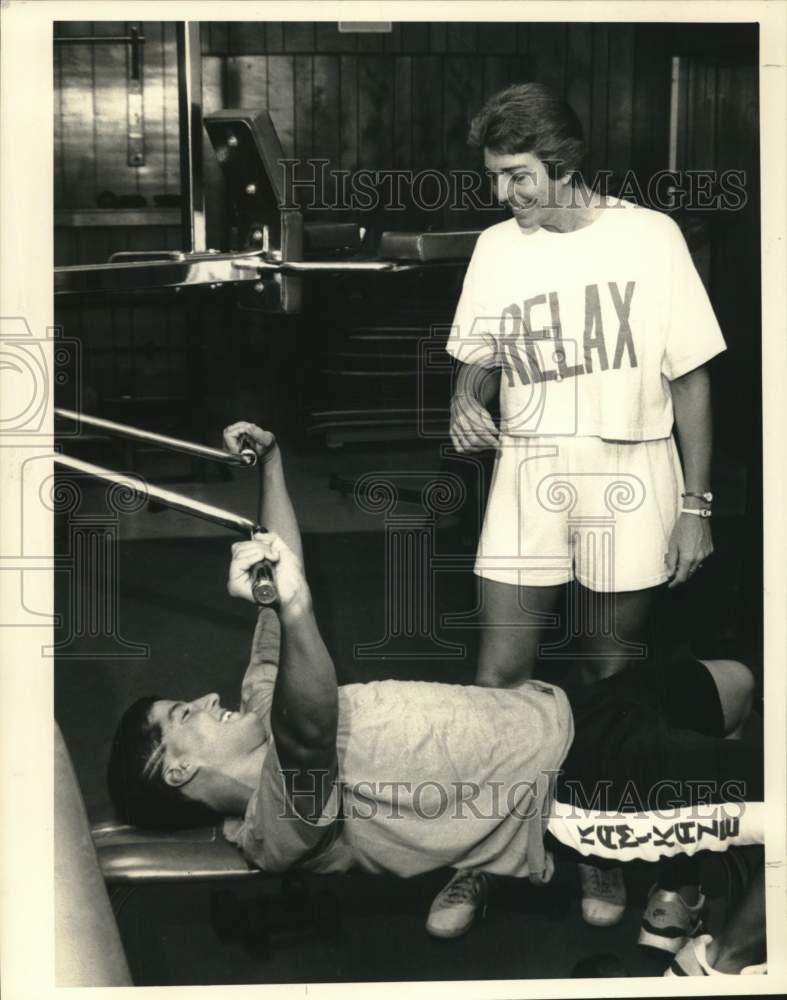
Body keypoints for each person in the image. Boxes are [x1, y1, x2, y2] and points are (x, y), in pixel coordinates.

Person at [107, 424, 764, 976]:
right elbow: (307, 736)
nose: (202, 697)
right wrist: (295, 605)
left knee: (740, 685)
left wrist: (273, 465)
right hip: (579, 787)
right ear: (177, 770)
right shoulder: (272, 828)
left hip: (569, 710)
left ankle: (692, 855)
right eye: (181, 716)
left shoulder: (259, 705)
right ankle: (715, 960)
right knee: (773, 790)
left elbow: (283, 568)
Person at [442, 81, 726, 932]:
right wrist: (467, 392)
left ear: (562, 164)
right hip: (528, 472)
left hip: (632, 474)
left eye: (518, 175)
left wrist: (695, 505)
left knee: (608, 680)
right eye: (495, 177)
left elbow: (691, 381)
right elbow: (479, 354)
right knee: (500, 679)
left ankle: (600, 845)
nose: (504, 194)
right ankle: (481, 855)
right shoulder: (498, 247)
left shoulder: (651, 237)